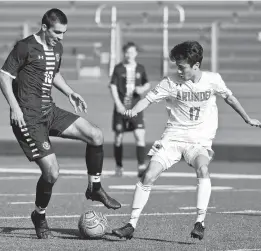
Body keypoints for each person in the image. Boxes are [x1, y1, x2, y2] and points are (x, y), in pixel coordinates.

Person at [111, 41, 261, 240]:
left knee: (203, 169)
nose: (178, 70)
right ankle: (131, 224)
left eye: (182, 67)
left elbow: (230, 98)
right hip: (173, 138)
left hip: (199, 141)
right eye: (177, 66)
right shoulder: (170, 82)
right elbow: (147, 100)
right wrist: (132, 111)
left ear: (196, 66)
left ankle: (200, 222)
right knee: (148, 175)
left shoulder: (213, 80)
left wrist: (247, 118)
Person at [0, 8, 121, 239]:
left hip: (50, 111)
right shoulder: (24, 47)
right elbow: (4, 76)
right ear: (44, 27)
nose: (61, 37)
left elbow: (53, 73)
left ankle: (94, 188)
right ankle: (40, 214)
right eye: (57, 32)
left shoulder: (57, 47)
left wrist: (70, 93)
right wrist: (14, 107)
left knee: (96, 135)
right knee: (52, 173)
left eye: (64, 32)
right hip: (28, 118)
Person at [109, 42, 151, 177]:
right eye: (127, 52)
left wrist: (143, 88)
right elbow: (113, 86)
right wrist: (118, 105)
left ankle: (141, 166)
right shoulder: (118, 68)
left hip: (136, 108)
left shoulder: (140, 68)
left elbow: (147, 83)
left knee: (140, 134)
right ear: (124, 53)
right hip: (121, 109)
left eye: (132, 52)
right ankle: (119, 166)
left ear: (136, 53)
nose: (130, 55)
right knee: (118, 137)